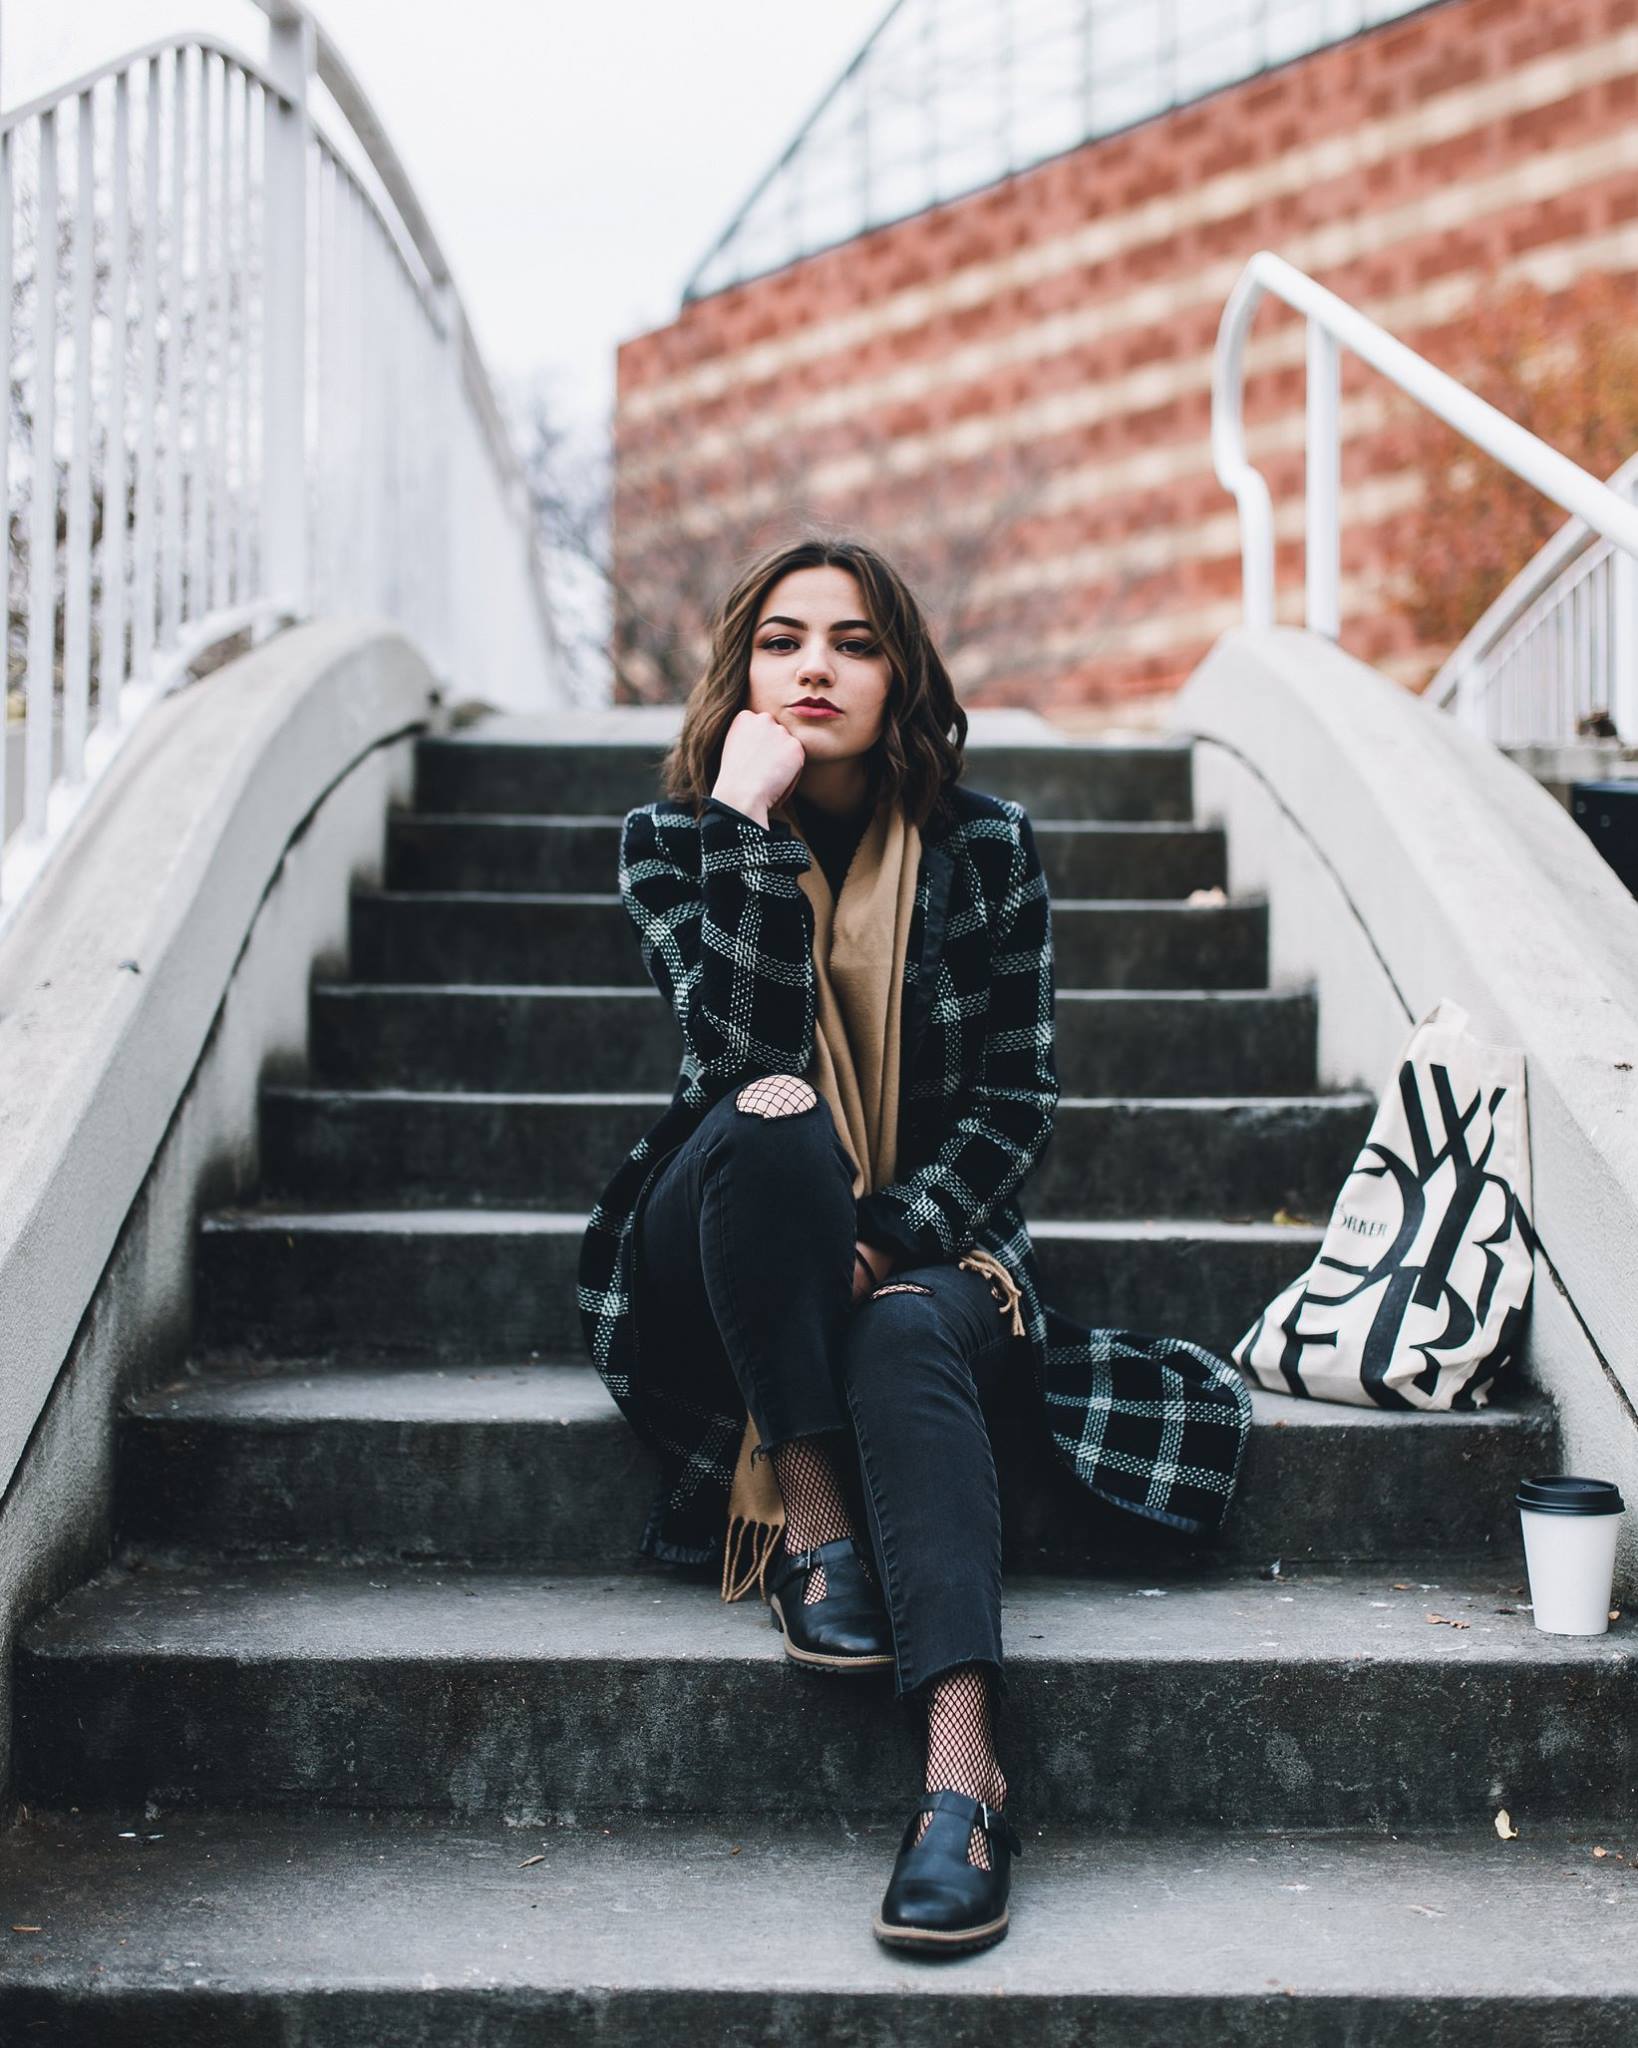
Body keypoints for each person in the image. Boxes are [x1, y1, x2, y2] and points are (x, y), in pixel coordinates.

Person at [577, 534, 1254, 1956]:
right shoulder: (671, 840)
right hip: (730, 1245)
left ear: (902, 676)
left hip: (929, 1249)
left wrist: (890, 1239)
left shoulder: (986, 847)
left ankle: (963, 1778)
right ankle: (818, 1522)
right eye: (779, 639)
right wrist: (751, 836)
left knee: (896, 1330)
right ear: (739, 672)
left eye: (853, 640)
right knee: (767, 1116)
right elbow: (738, 1058)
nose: (812, 665)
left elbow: (1019, 1099)